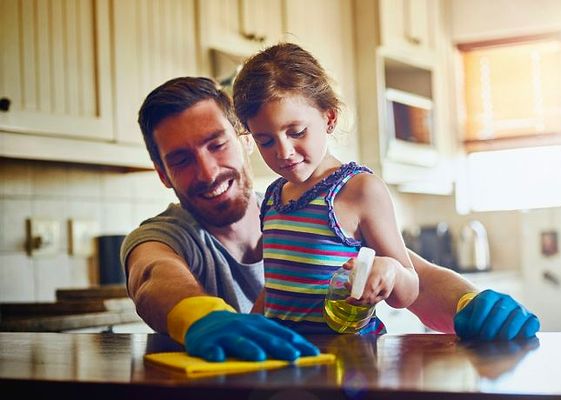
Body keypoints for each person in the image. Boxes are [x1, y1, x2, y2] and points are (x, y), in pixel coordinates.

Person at [121, 74, 539, 363]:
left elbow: (408, 271)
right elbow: (152, 276)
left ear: (243, 141)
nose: (208, 172)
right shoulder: (164, 236)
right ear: (162, 174)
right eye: (181, 159)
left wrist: (468, 302)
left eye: (216, 144)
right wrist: (199, 317)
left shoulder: (297, 204)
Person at [232, 42, 418, 334]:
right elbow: (276, 290)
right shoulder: (272, 197)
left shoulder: (359, 190)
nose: (284, 152)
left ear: (329, 118)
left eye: (296, 132)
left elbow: (408, 291)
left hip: (347, 364)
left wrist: (391, 271)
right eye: (265, 141)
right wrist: (248, 328)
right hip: (288, 362)